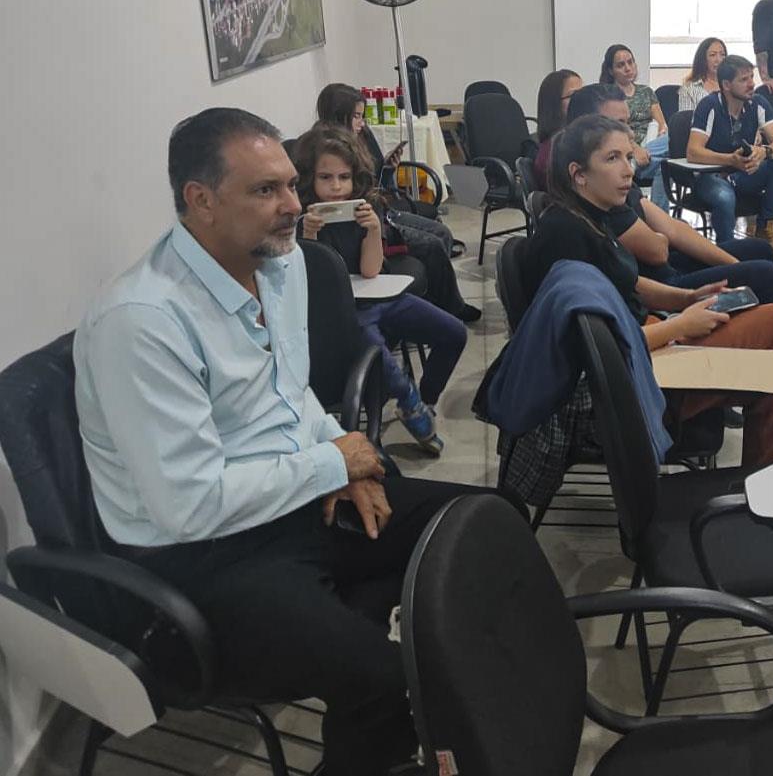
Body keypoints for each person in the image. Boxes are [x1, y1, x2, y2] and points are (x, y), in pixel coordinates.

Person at [73, 107, 485, 776]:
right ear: (200, 200)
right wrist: (331, 461)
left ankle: (426, 700)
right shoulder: (142, 321)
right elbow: (188, 505)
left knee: (480, 523)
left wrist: (345, 458)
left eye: (292, 183)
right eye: (266, 190)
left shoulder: (282, 262)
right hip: (202, 552)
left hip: (289, 496)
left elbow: (289, 394)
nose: (294, 205)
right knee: (383, 680)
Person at [523, 113, 773, 467]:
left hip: (647, 345)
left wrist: (686, 299)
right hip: (632, 379)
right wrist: (681, 325)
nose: (629, 170)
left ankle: (771, 501)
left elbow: (629, 287)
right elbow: (598, 347)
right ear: (578, 174)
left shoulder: (590, 216)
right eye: (613, 159)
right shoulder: (566, 235)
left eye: (629, 157)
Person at [294, 124, 466, 454]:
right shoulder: (302, 219)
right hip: (340, 313)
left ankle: (423, 401)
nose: (336, 187)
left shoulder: (364, 210)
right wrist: (309, 236)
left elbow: (371, 270)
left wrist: (373, 230)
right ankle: (409, 400)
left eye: (343, 177)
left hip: (376, 296)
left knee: (453, 332)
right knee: (380, 358)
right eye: (325, 178)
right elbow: (314, 283)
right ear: (309, 179)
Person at [566, 83, 773, 304]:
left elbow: (673, 230)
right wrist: (662, 238)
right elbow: (657, 250)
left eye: (627, 123)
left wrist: (736, 266)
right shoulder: (597, 193)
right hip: (658, 284)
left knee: (760, 251)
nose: (629, 133)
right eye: (617, 124)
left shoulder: (615, 180)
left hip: (666, 266)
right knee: (767, 276)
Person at [315, 83, 480, 323]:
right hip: (368, 222)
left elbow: (374, 182)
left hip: (382, 209)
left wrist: (389, 168)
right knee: (433, 244)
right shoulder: (326, 150)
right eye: (357, 116)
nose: (362, 123)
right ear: (340, 115)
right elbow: (357, 195)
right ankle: (449, 307)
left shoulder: (361, 137)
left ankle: (440, 300)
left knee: (442, 233)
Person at [685, 54, 773, 253]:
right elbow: (693, 152)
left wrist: (764, 152)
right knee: (724, 197)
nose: (752, 84)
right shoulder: (709, 105)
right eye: (744, 79)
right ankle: (727, 251)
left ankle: (766, 226)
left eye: (751, 77)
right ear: (726, 85)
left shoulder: (758, 103)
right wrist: (730, 160)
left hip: (744, 173)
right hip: (712, 176)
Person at [600, 44, 670, 208]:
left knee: (670, 147)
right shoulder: (609, 96)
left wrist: (657, 137)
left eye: (630, 62)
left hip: (650, 148)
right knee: (668, 163)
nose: (628, 68)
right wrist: (634, 149)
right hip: (627, 150)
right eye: (621, 65)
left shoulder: (646, 92)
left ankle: (658, 217)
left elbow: (662, 125)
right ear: (611, 71)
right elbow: (613, 130)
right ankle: (632, 161)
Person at [533, 68, 582, 187]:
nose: (582, 99)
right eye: (574, 95)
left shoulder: (578, 139)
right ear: (554, 103)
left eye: (583, 93)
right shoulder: (553, 151)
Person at [679, 37, 727, 111]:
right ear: (703, 59)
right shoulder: (689, 89)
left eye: (722, 54)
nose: (719, 59)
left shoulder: (731, 85)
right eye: (713, 55)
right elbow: (687, 117)